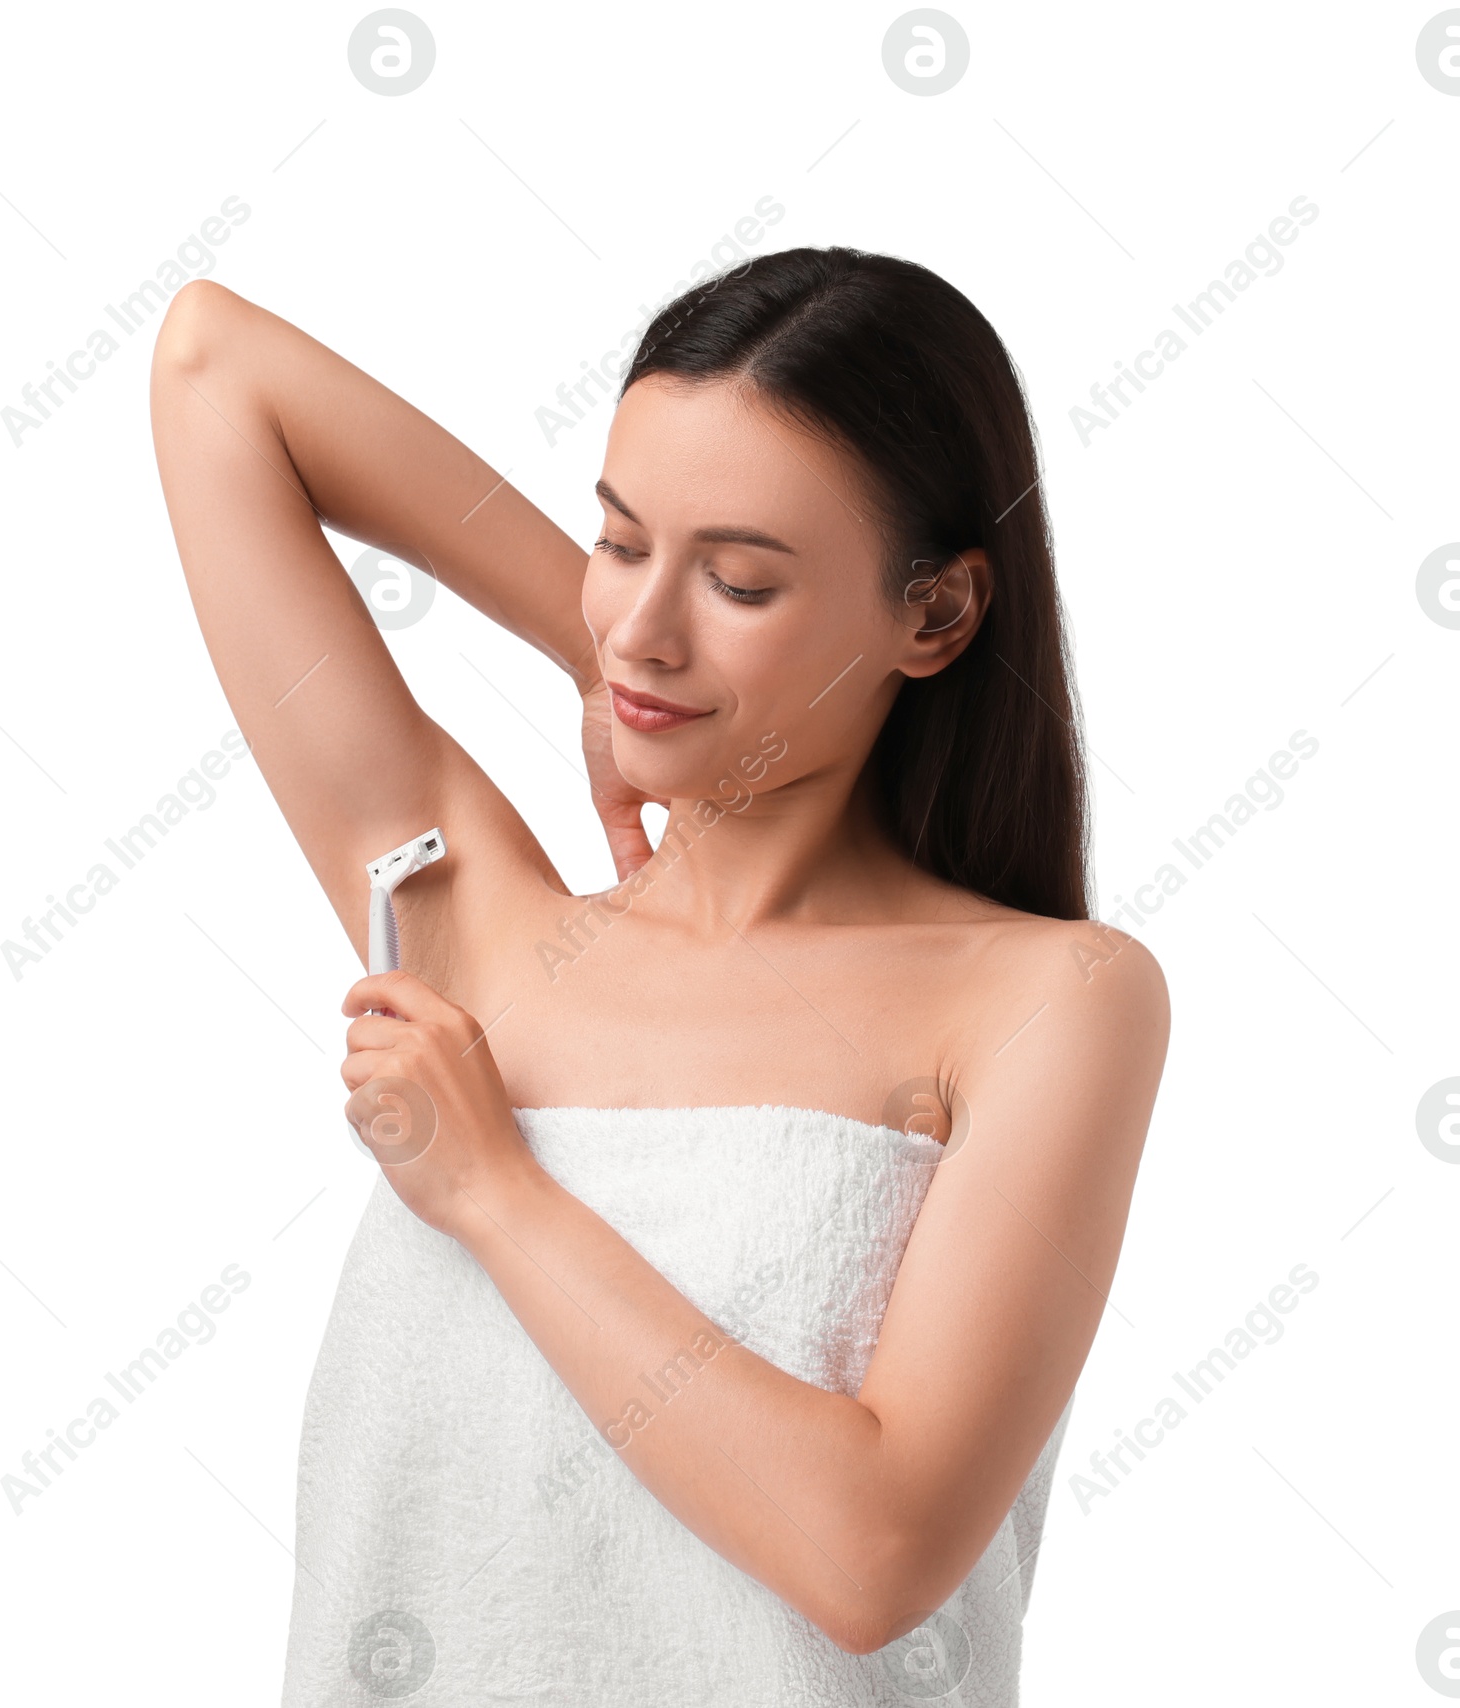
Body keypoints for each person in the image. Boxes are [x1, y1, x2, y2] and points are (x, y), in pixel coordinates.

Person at [149, 246, 1170, 1706]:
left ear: (934, 615)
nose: (646, 619)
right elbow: (211, 368)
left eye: (740, 579)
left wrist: (496, 1193)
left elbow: (869, 1553)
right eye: (620, 542)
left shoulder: (1049, 1002)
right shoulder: (484, 934)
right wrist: (610, 668)